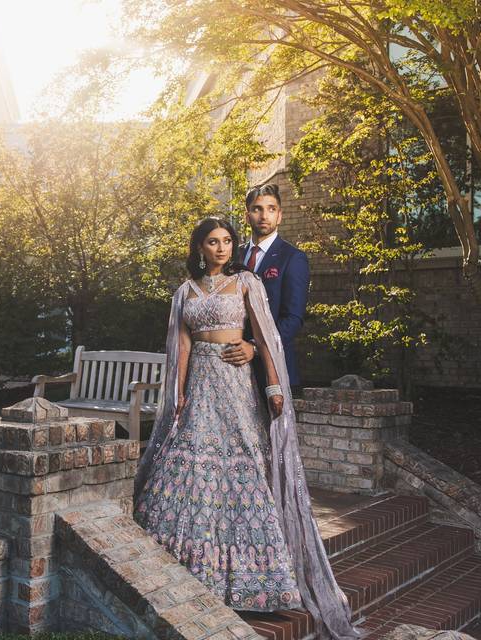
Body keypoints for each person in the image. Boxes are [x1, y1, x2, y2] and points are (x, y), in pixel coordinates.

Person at [134, 218, 362, 639]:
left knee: (243, 472)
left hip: (236, 383)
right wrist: (178, 395)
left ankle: (255, 582)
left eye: (227, 241)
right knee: (190, 467)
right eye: (212, 242)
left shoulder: (246, 283)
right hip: (200, 387)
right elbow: (183, 345)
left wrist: (274, 385)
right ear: (199, 247)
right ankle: (185, 570)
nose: (221, 248)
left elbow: (266, 336)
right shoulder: (185, 292)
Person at [222, 184, 310, 389]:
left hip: (272, 369)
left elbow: (293, 319)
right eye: (257, 209)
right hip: (230, 366)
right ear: (247, 216)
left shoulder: (293, 258)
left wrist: (255, 346)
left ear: (279, 216)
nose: (264, 215)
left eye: (271, 209)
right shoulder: (233, 256)